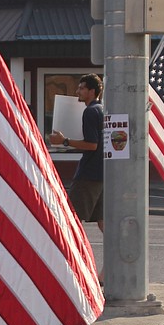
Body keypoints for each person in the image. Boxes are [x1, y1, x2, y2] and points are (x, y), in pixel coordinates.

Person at [50, 73, 105, 233]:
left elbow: (92, 145)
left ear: (92, 91)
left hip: (88, 175)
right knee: (102, 220)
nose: (77, 92)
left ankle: (73, 255)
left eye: (82, 88)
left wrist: (64, 141)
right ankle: (119, 253)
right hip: (102, 175)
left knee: (72, 218)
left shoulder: (89, 112)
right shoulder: (101, 110)